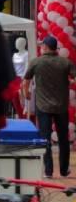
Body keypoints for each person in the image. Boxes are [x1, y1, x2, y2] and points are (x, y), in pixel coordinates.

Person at [24, 35, 76, 178]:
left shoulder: (36, 62)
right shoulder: (65, 62)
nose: (41, 47)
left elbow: (26, 79)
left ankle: (48, 171)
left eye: (42, 46)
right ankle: (64, 170)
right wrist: (70, 82)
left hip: (43, 106)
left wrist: (27, 94)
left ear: (46, 47)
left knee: (45, 138)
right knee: (63, 139)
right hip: (61, 106)